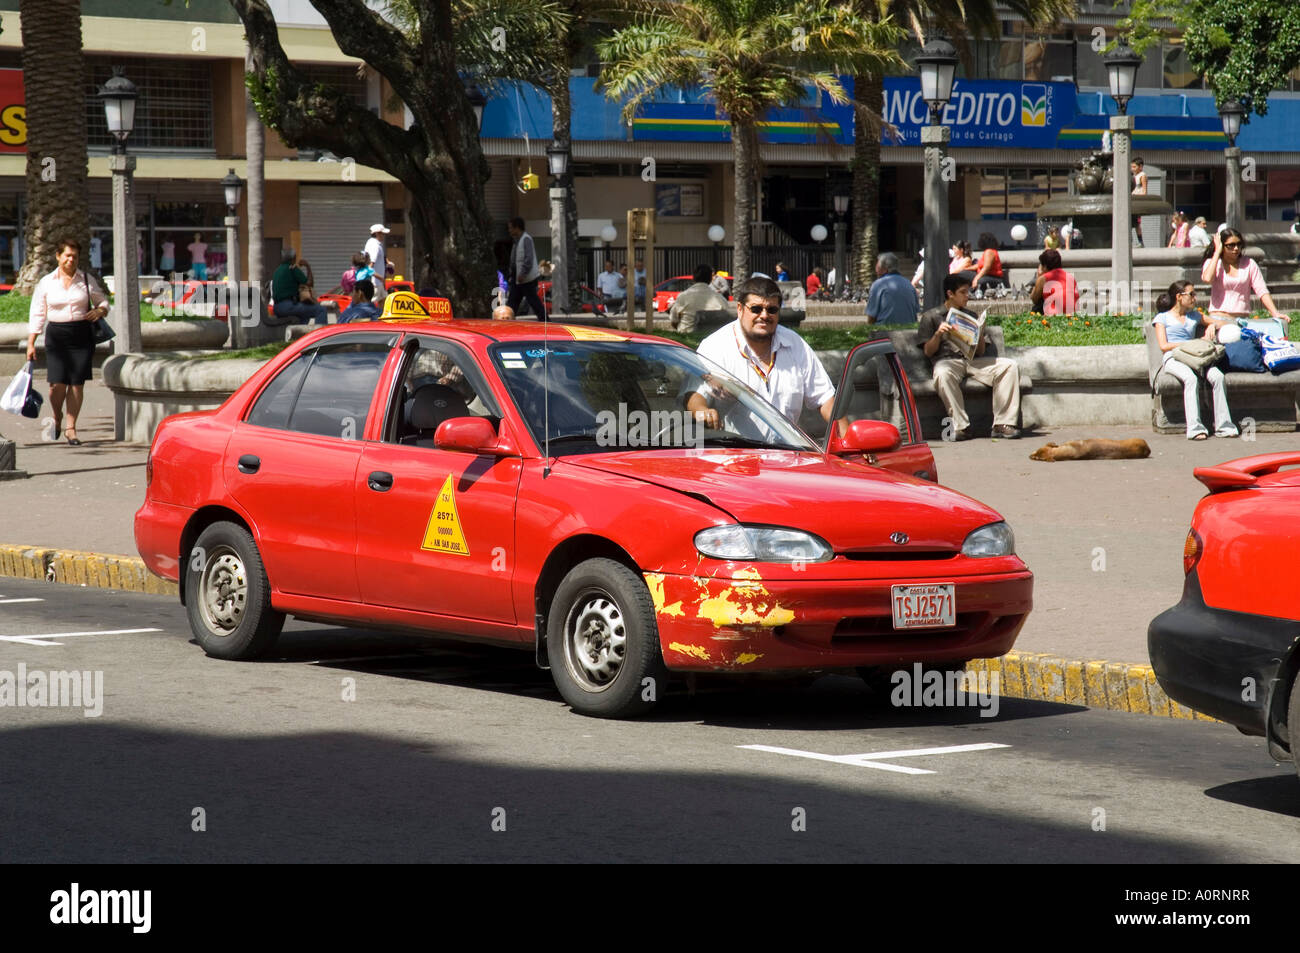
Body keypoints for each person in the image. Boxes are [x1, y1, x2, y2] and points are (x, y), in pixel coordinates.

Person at [689, 275, 836, 428]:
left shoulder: (796, 345)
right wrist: (701, 410)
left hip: (787, 450)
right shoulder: (715, 346)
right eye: (756, 309)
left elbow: (826, 399)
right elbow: (694, 392)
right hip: (733, 449)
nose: (764, 315)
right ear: (740, 309)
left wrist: (850, 443)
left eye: (772, 310)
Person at [24, 238, 110, 446]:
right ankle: (57, 416)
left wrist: (99, 310)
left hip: (81, 334)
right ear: (58, 256)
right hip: (56, 335)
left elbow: (103, 301)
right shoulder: (46, 282)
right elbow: (37, 313)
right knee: (56, 384)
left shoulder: (86, 279)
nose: (71, 259)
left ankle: (71, 428)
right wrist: (31, 342)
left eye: (75, 256)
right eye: (67, 255)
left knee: (76, 385)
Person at [917, 274, 1021, 440]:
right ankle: (961, 427)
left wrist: (979, 334)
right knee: (943, 374)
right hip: (948, 361)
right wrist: (938, 334)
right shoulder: (931, 316)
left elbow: (980, 352)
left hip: (973, 361)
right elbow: (928, 352)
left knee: (1009, 366)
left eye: (968, 292)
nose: (968, 296)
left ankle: (1003, 424)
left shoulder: (971, 316)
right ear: (950, 294)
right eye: (963, 292)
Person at [1151, 280, 1238, 440]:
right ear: (1179, 296)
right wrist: (1191, 343)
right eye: (1191, 294)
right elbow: (1164, 346)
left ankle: (1224, 426)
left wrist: (1213, 326)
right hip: (1174, 357)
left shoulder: (1195, 316)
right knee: (1190, 379)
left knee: (1218, 377)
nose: (1194, 298)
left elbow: (1224, 323)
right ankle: (1195, 428)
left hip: (1196, 358)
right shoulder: (1162, 318)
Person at [1201, 227, 1290, 325]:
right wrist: (1217, 253)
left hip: (1242, 320)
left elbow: (1262, 290)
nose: (1236, 248)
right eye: (1231, 245)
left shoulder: (1249, 263)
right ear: (1222, 246)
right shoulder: (1213, 263)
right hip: (1218, 319)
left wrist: (1275, 312)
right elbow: (1207, 279)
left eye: (1239, 244)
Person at [269, 248, 327, 325]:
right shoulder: (292, 268)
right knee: (321, 310)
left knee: (305, 315)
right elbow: (310, 283)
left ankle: (300, 334)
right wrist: (307, 266)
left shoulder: (277, 271)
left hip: (277, 308)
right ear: (293, 258)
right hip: (289, 306)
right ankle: (319, 335)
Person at [505, 216, 546, 320]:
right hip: (517, 277)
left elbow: (528, 258)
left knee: (532, 300)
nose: (509, 230)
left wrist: (523, 273)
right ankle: (508, 320)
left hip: (525, 278)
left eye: (511, 228)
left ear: (517, 228)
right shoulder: (517, 241)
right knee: (513, 301)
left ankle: (545, 320)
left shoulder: (526, 239)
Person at [669, 264, 729, 333]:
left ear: (693, 278)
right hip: (710, 336)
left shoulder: (683, 296)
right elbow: (725, 321)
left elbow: (673, 320)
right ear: (710, 279)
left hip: (686, 337)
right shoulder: (720, 299)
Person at [865, 252, 918, 325]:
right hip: (909, 330)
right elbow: (915, 312)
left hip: (885, 332)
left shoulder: (878, 284)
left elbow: (871, 317)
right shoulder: (909, 284)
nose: (876, 270)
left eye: (877, 266)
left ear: (885, 269)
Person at [1030, 248, 1079, 316]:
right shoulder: (1070, 277)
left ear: (1045, 266)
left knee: (1037, 306)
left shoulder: (1044, 278)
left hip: (1053, 316)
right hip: (1072, 315)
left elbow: (1034, 299)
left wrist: (1039, 277)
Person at [365, 224, 389, 302]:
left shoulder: (374, 243)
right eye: (382, 233)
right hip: (375, 283)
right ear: (377, 233)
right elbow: (370, 266)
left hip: (379, 283)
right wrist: (381, 278)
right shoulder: (374, 245)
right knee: (373, 304)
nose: (384, 236)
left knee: (384, 302)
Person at [1131, 158, 1147, 246]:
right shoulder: (1132, 176)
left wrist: (1142, 201)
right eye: (1131, 167)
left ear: (1140, 167)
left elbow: (1144, 190)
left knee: (1137, 223)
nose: (1132, 169)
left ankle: (1140, 241)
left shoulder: (1142, 175)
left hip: (1138, 201)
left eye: (1134, 167)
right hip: (1131, 200)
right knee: (1129, 221)